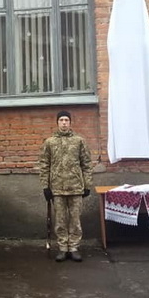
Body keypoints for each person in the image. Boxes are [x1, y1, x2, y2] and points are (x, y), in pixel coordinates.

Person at [39, 110, 93, 263]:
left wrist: (87, 184)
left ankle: (74, 248)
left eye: (66, 120)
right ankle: (63, 248)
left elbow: (86, 164)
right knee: (60, 221)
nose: (64, 123)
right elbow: (44, 164)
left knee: (75, 220)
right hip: (57, 188)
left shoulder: (79, 141)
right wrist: (45, 186)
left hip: (76, 187)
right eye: (61, 120)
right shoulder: (50, 142)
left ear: (70, 122)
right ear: (57, 122)